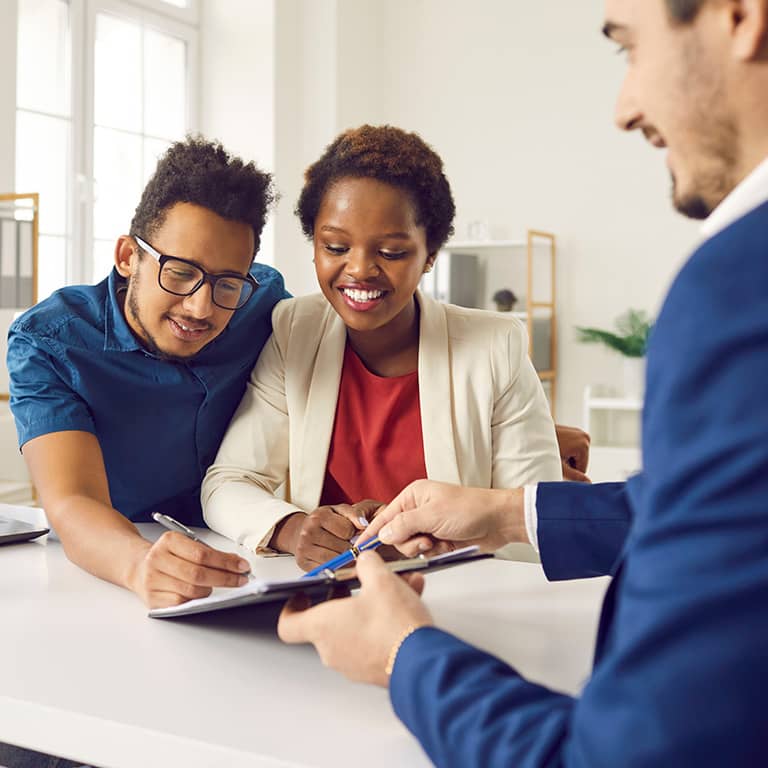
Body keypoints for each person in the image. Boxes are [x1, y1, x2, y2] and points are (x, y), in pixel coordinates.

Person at [276, 0, 768, 765]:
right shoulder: (290, 331)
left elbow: (627, 756)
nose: (624, 106)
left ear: (741, 17)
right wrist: (508, 513)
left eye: (629, 50)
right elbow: (723, 508)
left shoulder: (738, 291)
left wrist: (405, 657)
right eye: (336, 245)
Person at [201, 125, 566, 572]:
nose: (359, 269)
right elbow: (227, 483)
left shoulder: (494, 347)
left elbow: (539, 525)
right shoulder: (295, 329)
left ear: (429, 253)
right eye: (335, 246)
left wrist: (428, 544)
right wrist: (294, 528)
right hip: (326, 601)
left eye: (392, 252)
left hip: (454, 606)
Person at [6, 137, 289, 610]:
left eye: (226, 283)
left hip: (247, 554)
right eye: (179, 272)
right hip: (114, 566)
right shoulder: (49, 341)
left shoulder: (263, 302)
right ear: (127, 256)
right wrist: (140, 565)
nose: (201, 307)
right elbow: (74, 500)